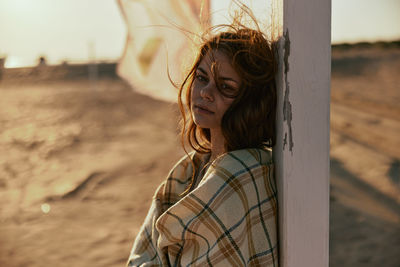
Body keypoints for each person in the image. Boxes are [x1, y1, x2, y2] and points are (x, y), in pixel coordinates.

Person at [127, 21, 279, 267]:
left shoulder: (240, 176)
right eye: (201, 77)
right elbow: (145, 248)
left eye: (225, 87)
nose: (205, 93)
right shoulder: (192, 166)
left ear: (249, 101)